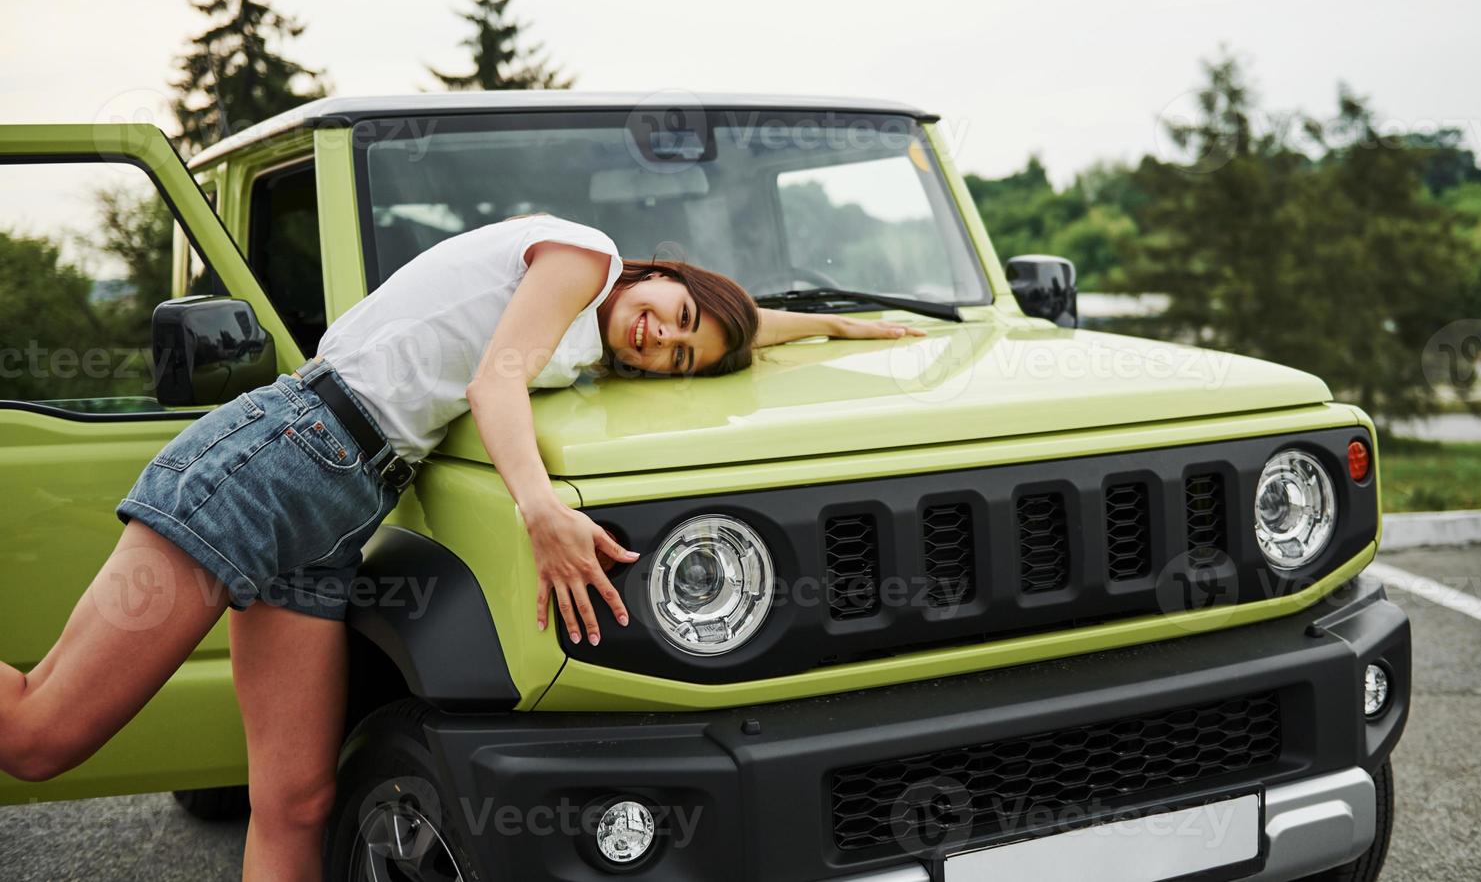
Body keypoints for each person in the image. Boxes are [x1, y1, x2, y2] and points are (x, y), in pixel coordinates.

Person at [0, 213, 924, 881]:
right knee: (42, 737)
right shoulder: (582, 257)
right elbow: (494, 385)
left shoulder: (596, 331)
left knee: (297, 806)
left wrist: (844, 326)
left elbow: (744, 321)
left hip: (339, 505)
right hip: (276, 457)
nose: (661, 337)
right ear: (658, 272)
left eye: (678, 355)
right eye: (673, 312)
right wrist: (541, 512)